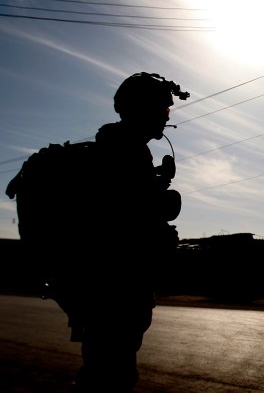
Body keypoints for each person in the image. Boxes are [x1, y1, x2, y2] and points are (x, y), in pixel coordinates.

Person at [68, 72, 188, 392]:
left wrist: (158, 180)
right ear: (142, 108)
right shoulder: (125, 151)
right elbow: (130, 213)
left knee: (107, 367)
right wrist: (163, 196)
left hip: (111, 286)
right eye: (163, 109)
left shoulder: (121, 148)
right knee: (111, 373)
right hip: (115, 287)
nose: (167, 116)